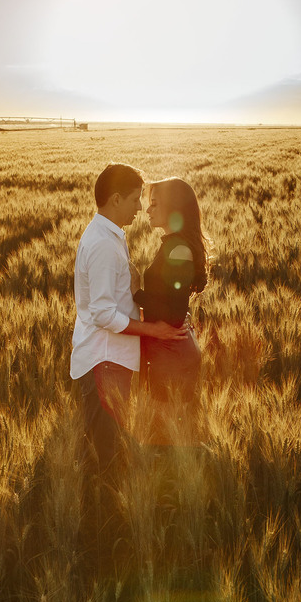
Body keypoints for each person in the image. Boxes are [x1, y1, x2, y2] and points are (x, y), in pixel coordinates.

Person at [71, 163, 187, 492]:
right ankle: (102, 530)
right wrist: (156, 331)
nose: (140, 207)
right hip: (104, 363)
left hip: (109, 360)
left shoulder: (108, 235)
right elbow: (105, 313)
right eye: (136, 199)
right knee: (107, 459)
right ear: (116, 199)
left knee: (107, 452)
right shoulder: (104, 245)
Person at [133, 177, 209, 447]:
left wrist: (136, 293)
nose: (147, 210)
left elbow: (176, 314)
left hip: (173, 358)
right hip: (167, 354)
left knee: (171, 441)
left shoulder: (178, 249)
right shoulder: (172, 244)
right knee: (167, 439)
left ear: (173, 208)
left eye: (154, 204)